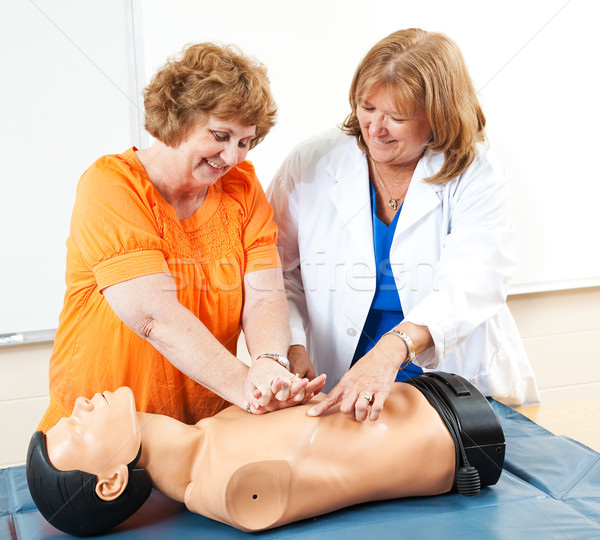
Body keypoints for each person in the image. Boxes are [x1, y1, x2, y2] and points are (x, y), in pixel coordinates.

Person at [38, 42, 325, 434]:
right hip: (100, 436)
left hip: (198, 435)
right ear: (178, 117)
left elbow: (264, 295)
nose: (232, 157)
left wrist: (270, 365)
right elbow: (155, 316)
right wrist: (249, 387)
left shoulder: (242, 187)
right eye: (221, 135)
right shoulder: (112, 185)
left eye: (245, 141)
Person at [267, 28, 539, 422]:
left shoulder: (474, 171)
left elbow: (474, 282)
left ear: (438, 117)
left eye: (396, 117)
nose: (375, 128)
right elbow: (276, 270)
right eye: (367, 107)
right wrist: (291, 344)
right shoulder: (313, 162)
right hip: (344, 379)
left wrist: (392, 348)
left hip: (446, 380)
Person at [27, 374, 505, 535]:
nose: (81, 405)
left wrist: (288, 395)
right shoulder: (230, 489)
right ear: (111, 481)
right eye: (78, 428)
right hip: (459, 436)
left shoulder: (209, 431)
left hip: (429, 394)